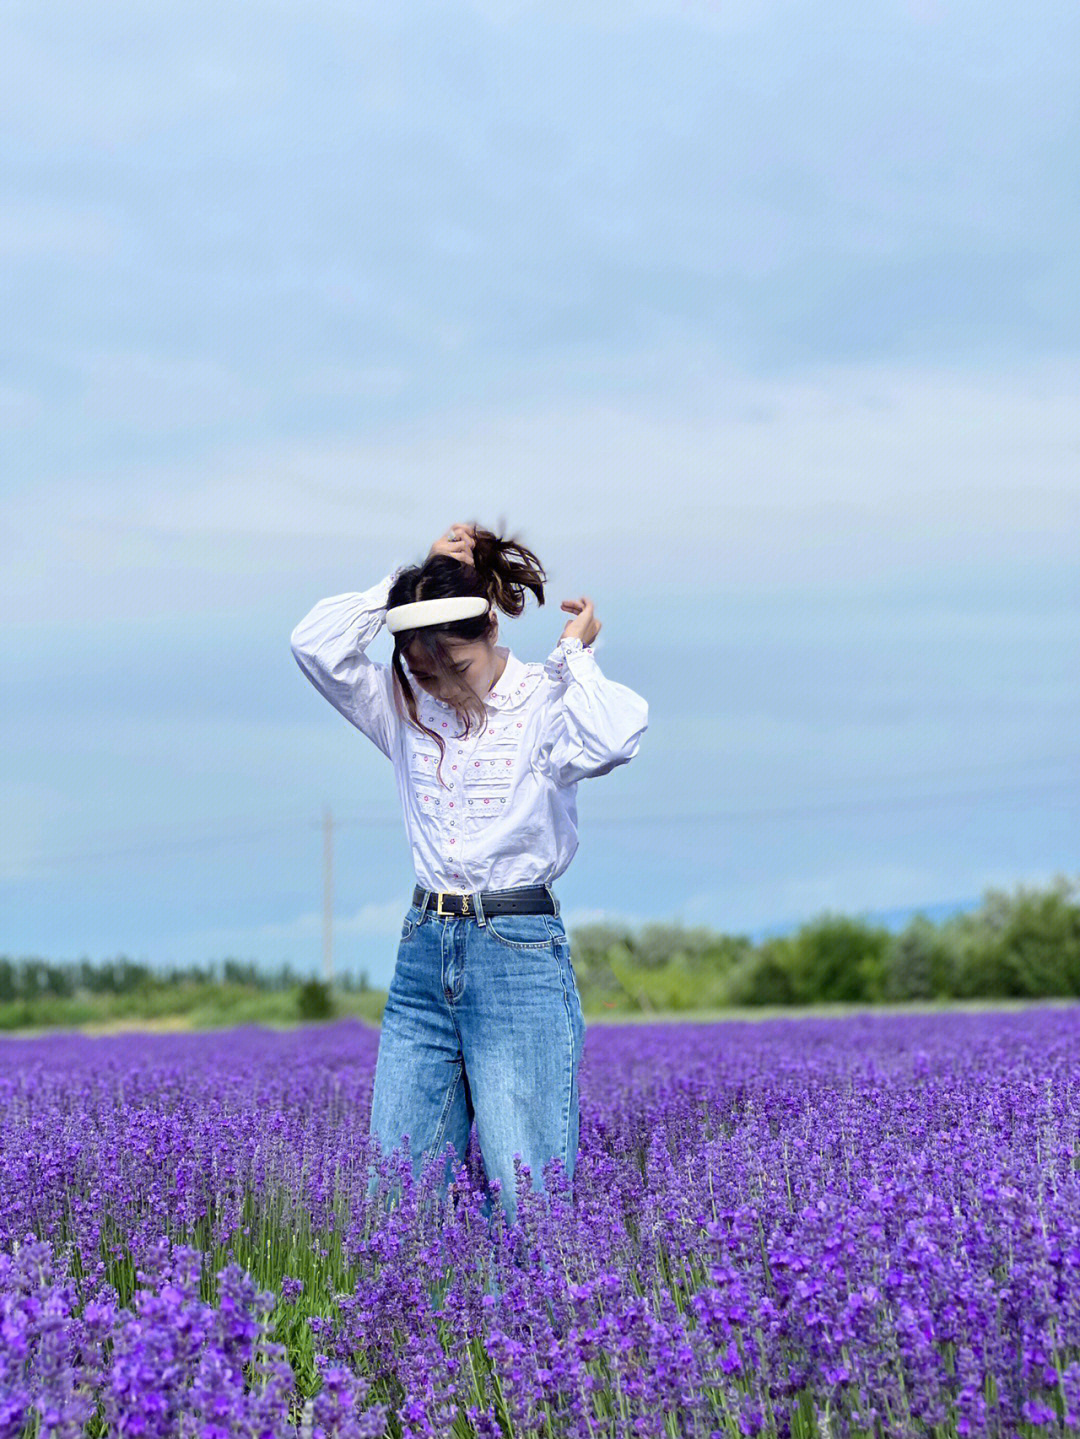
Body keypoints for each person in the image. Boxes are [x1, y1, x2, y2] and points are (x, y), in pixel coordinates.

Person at [289, 522, 648, 1236]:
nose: (444, 689)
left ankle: (536, 1341)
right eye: (425, 673)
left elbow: (616, 735)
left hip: (515, 949)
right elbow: (314, 643)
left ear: (489, 626)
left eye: (455, 665)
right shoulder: (404, 706)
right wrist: (406, 581)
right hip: (424, 951)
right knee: (397, 1200)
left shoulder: (547, 701)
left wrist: (577, 653)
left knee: (531, 1205)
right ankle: (410, 1344)